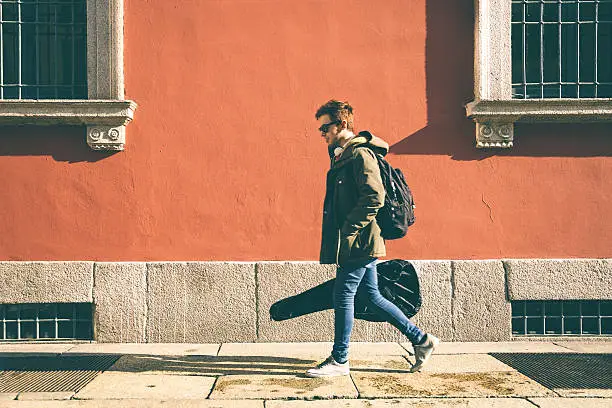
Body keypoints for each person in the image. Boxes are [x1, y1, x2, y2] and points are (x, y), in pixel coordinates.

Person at [305, 100, 439, 378]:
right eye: (320, 129)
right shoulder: (343, 155)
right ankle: (421, 340)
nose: (322, 133)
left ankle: (339, 359)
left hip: (360, 241)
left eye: (325, 127)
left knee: (343, 296)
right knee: (372, 295)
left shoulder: (360, 155)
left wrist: (348, 231)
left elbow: (374, 197)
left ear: (342, 124)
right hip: (361, 241)